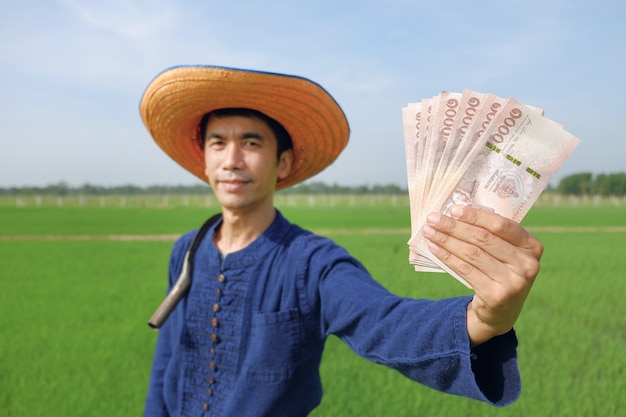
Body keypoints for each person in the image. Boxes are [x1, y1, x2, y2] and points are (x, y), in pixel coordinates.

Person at [140, 65, 543, 417]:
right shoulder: (186, 252)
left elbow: (385, 322)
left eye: (251, 142)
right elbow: (167, 362)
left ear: (283, 162)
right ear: (205, 159)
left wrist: (482, 320)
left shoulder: (312, 264)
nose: (231, 160)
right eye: (217, 142)